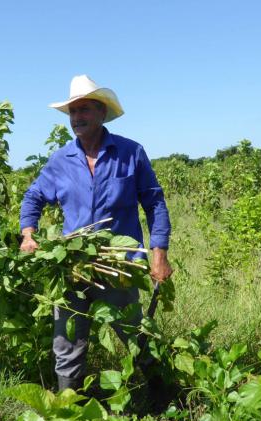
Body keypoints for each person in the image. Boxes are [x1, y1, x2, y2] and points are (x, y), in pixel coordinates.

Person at [19, 74, 173, 392]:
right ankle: (68, 408)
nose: (78, 118)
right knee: (67, 343)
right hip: (71, 265)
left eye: (85, 110)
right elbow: (34, 197)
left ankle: (166, 400)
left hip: (118, 264)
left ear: (102, 113)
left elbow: (155, 203)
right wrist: (28, 234)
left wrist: (160, 254)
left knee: (135, 335)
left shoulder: (130, 153)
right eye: (73, 112)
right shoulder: (61, 160)